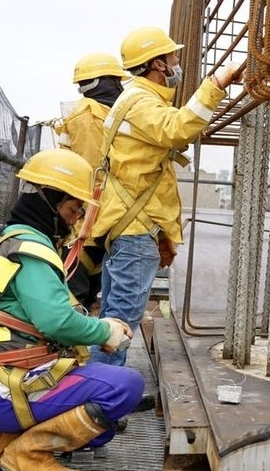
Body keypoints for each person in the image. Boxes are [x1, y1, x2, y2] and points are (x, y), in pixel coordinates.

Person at [0, 148, 142, 471]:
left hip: (6, 382)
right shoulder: (33, 251)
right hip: (11, 388)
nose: (75, 219)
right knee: (127, 386)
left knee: (101, 429)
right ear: (50, 202)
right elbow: (54, 321)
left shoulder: (16, 240)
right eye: (71, 209)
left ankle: (2, 440)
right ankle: (26, 454)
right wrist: (103, 330)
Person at [91, 27, 238, 366]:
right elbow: (177, 129)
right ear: (158, 64)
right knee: (121, 324)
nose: (177, 63)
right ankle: (100, 404)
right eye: (173, 57)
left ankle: (95, 392)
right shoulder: (141, 102)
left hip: (126, 227)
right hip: (133, 232)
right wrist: (216, 85)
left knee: (112, 319)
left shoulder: (133, 99)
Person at [52, 52, 127, 309]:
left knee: (88, 287)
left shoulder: (98, 113)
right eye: (116, 81)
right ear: (103, 82)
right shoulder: (89, 116)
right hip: (87, 220)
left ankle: (80, 341)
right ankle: (70, 345)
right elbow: (93, 172)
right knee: (76, 292)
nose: (120, 87)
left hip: (92, 220)